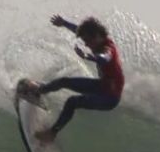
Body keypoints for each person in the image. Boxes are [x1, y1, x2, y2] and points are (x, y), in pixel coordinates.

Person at [27, 15, 124, 144]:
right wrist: (64, 23)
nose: (86, 44)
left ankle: (51, 134)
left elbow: (105, 58)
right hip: (102, 85)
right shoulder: (97, 40)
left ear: (96, 36)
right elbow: (78, 29)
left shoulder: (108, 49)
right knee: (64, 81)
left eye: (87, 40)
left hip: (109, 98)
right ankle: (39, 90)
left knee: (72, 102)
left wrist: (88, 56)